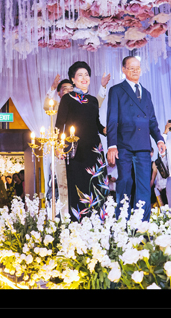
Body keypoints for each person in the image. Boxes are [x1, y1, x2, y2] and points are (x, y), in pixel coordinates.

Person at [106, 56, 166, 222]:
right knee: (125, 181)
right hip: (123, 144)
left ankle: (142, 224)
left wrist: (159, 139)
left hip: (143, 145)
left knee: (144, 185)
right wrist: (112, 145)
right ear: (124, 70)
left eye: (137, 68)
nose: (135, 71)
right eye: (131, 68)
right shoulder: (116, 90)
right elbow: (112, 119)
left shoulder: (146, 93)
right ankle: (122, 222)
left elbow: (152, 120)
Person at [55, 61, 108, 222]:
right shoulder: (67, 98)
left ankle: (99, 224)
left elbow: (96, 124)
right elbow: (59, 124)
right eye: (80, 75)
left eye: (86, 75)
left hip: (95, 149)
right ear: (73, 79)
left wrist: (107, 129)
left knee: (98, 185)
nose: (84, 78)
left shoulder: (93, 100)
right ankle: (78, 225)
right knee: (78, 186)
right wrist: (58, 146)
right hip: (75, 149)